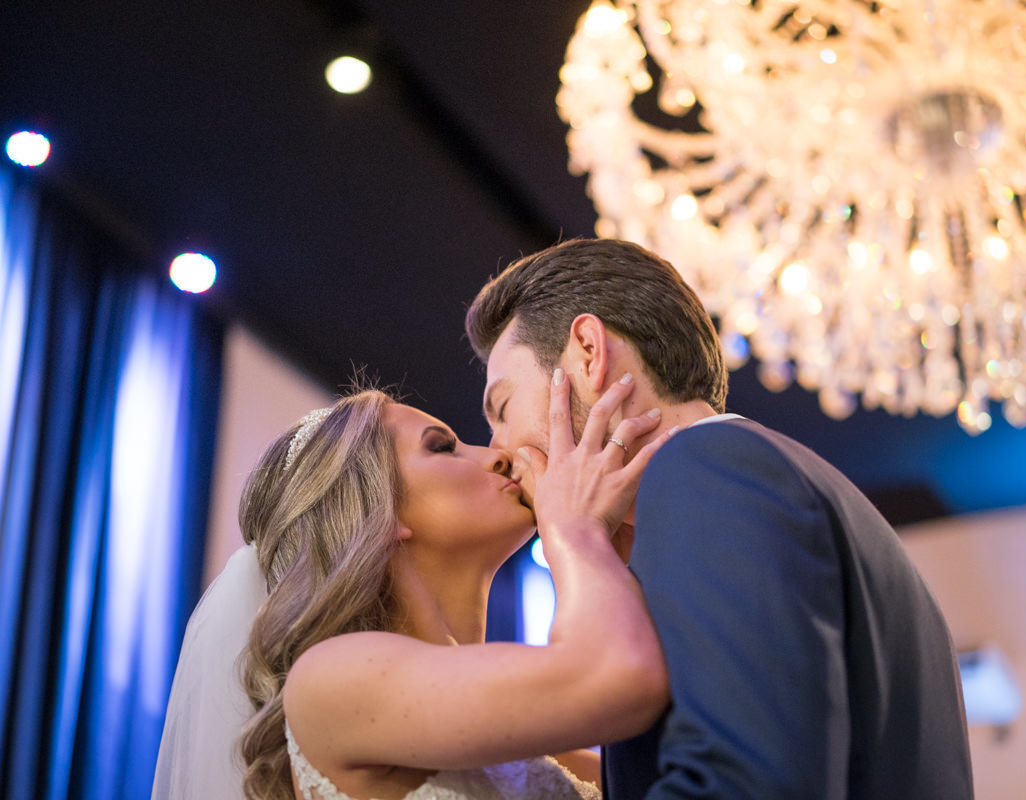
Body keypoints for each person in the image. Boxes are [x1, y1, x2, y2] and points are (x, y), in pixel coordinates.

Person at [466, 237, 975, 799]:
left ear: (588, 352)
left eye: (504, 408)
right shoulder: (744, 479)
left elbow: (747, 782)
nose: (499, 448)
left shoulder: (707, 468)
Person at [152, 376, 675, 800]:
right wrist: (577, 533)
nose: (496, 455)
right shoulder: (331, 680)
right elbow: (622, 678)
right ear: (376, 513)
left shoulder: (529, 745)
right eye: (444, 447)